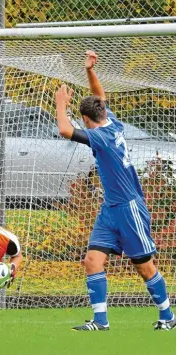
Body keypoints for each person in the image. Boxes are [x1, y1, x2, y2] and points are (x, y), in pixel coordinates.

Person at [55, 51, 175, 331]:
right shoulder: (111, 122)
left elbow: (63, 129)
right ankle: (100, 322)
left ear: (85, 119)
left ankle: (168, 316)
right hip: (110, 208)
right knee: (92, 260)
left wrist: (61, 104)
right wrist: (89, 71)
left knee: (144, 266)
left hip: (129, 207)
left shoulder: (100, 137)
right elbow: (99, 95)